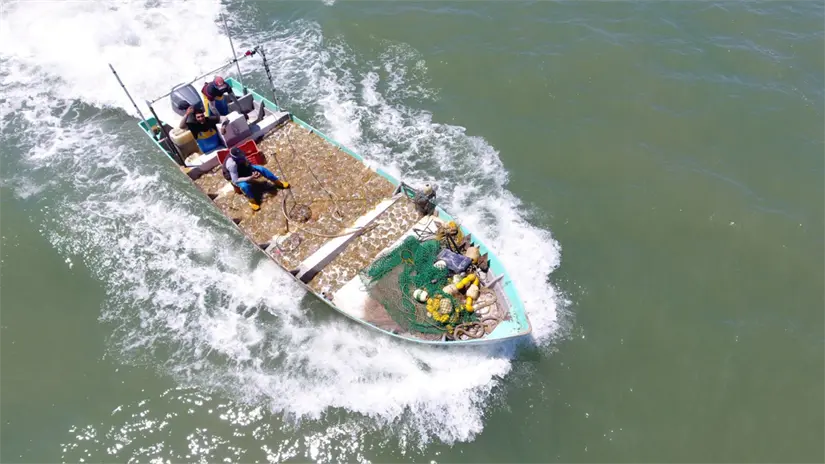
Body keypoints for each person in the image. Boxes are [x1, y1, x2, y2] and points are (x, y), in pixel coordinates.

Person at [223, 147, 290, 211]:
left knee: (262, 169)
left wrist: (253, 170)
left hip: (242, 169)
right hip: (234, 176)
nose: (243, 157)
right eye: (241, 158)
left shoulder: (240, 155)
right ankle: (252, 201)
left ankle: (278, 183)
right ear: (235, 158)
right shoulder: (232, 164)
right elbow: (235, 180)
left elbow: (248, 163)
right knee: (245, 186)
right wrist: (250, 177)